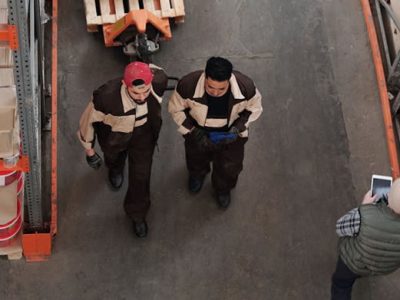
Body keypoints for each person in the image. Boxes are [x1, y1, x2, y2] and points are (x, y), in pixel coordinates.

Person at [77, 62, 168, 238]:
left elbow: (157, 70)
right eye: (136, 92)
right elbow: (87, 121)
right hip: (114, 139)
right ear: (125, 85)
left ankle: (137, 214)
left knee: (141, 177)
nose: (142, 97)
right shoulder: (105, 98)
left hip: (144, 137)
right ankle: (115, 168)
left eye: (145, 91)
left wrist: (143, 64)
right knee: (114, 159)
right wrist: (89, 151)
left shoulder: (159, 81)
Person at [168, 57, 263, 208]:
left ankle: (223, 188)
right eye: (210, 87)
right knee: (196, 157)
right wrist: (193, 131)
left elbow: (255, 109)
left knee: (230, 165)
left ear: (229, 80)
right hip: (198, 132)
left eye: (221, 89)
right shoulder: (187, 85)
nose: (215, 92)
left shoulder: (246, 87)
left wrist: (237, 128)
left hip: (231, 135)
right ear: (205, 77)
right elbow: (175, 109)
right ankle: (197, 174)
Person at [331, 178, 400, 299]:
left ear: (388, 197)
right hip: (380, 267)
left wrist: (363, 208)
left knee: (341, 285)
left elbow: (340, 228)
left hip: (352, 262)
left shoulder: (364, 216)